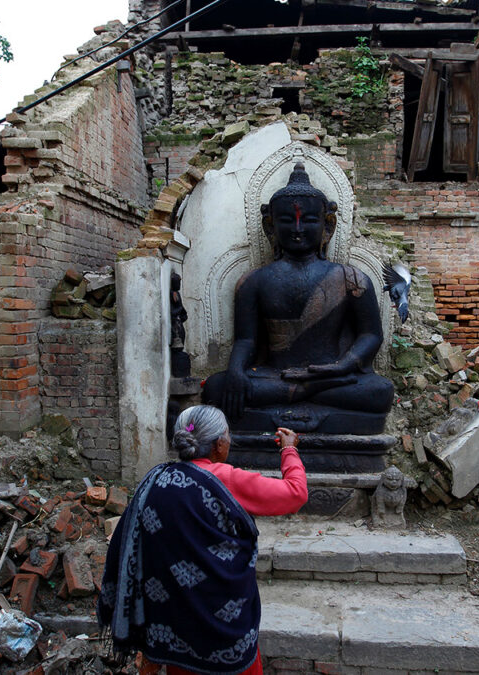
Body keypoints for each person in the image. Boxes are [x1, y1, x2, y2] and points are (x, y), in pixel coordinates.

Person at [97, 405, 308, 675]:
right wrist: (289, 450)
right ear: (219, 444)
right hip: (222, 625)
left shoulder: (157, 479)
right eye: (228, 435)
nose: (229, 441)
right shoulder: (227, 480)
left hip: (173, 627)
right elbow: (296, 493)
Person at [201, 162, 394, 435]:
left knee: (380, 391)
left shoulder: (351, 278)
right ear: (271, 226)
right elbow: (246, 340)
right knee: (216, 387)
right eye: (287, 220)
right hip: (275, 375)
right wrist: (235, 371)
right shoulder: (254, 281)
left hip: (334, 376)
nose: (298, 228)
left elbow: (371, 335)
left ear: (327, 225)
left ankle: (308, 387)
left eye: (310, 220)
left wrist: (341, 366)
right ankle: (308, 390)